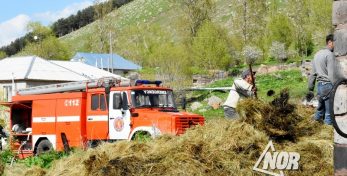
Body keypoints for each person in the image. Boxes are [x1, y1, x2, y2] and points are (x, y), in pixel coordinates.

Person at [307, 34, 336, 125]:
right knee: (329, 113)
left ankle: (315, 126)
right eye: (336, 43)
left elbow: (313, 74)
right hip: (328, 85)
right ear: (330, 42)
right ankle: (327, 131)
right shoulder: (330, 55)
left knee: (320, 109)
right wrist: (337, 87)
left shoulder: (317, 54)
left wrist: (310, 87)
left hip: (320, 86)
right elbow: (331, 75)